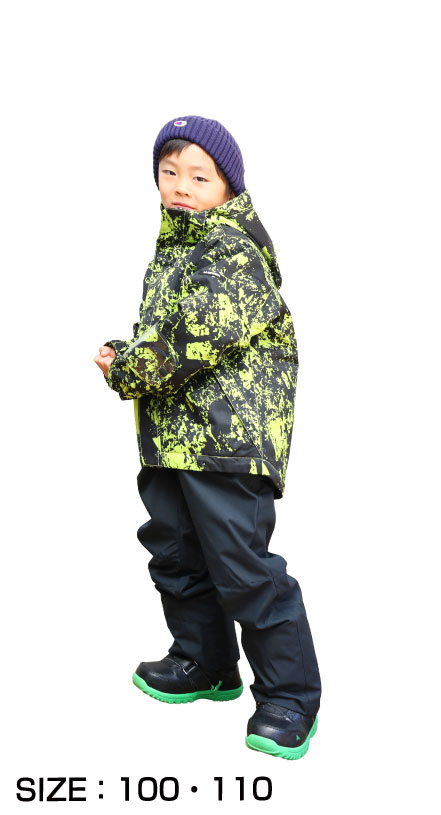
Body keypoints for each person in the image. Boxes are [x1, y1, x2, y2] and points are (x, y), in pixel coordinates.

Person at [94, 115, 321, 760]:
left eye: (199, 176)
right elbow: (170, 337)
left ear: (228, 185)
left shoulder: (231, 249)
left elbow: (199, 334)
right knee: (176, 551)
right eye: (169, 173)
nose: (181, 187)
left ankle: (290, 698)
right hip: (173, 437)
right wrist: (129, 351)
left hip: (228, 440)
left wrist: (129, 368)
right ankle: (205, 662)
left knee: (242, 568)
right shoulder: (176, 249)